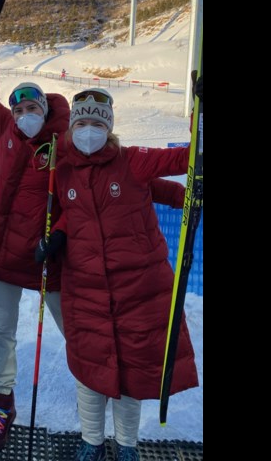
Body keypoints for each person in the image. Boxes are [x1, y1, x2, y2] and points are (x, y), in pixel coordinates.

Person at [36, 87, 199, 461]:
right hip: (86, 290)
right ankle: (91, 440)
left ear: (109, 129)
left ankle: (127, 445)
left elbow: (187, 160)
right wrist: (57, 235)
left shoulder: (132, 161)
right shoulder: (62, 171)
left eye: (97, 123)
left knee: (131, 377)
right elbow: (68, 213)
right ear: (72, 126)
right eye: (82, 122)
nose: (88, 130)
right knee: (90, 375)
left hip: (138, 292)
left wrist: (198, 121)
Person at [0, 47, 70, 450]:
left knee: (75, 330)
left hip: (48, 255)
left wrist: (59, 233)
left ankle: (96, 395)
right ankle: (2, 405)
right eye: (20, 107)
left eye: (32, 106)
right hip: (5, 254)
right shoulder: (6, 128)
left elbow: (80, 194)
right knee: (1, 332)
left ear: (44, 108)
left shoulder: (66, 142)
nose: (25, 113)